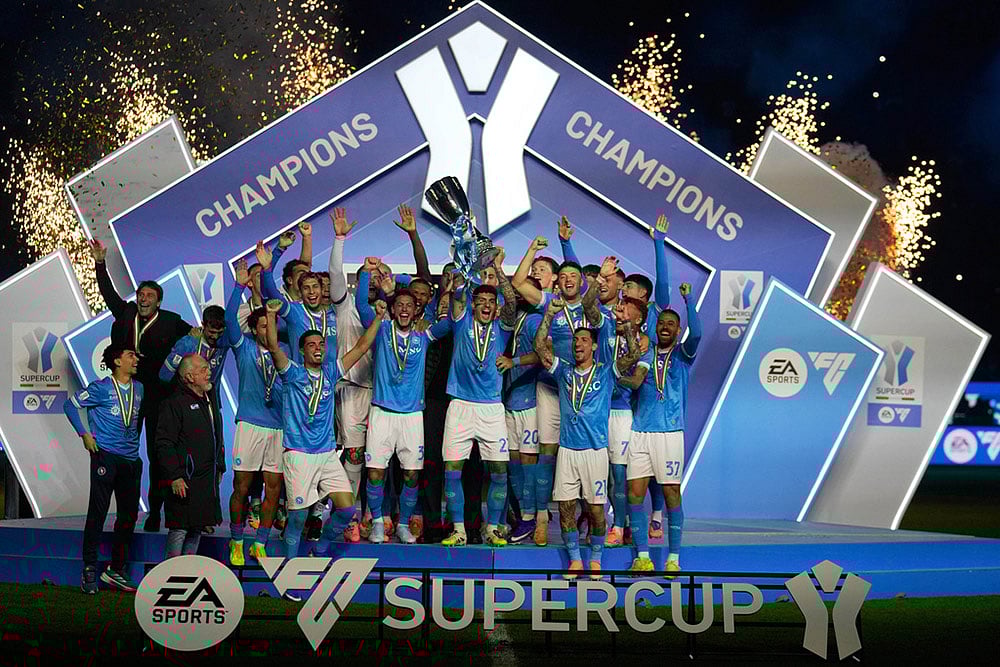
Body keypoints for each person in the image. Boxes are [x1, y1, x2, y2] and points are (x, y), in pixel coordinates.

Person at [264, 296, 383, 601]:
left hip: (327, 454)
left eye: (321, 343)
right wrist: (269, 313)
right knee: (299, 518)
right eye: (312, 344)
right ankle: (290, 577)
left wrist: (379, 319)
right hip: (299, 455)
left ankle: (322, 548)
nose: (318, 347)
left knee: (346, 508)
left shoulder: (331, 372)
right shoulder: (292, 373)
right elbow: (275, 347)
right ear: (303, 351)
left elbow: (360, 349)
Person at [89, 239, 194, 533]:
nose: (144, 299)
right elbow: (107, 293)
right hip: (128, 394)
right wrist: (100, 262)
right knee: (123, 451)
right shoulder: (126, 314)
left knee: (159, 454)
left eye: (150, 295)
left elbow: (195, 338)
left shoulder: (172, 321)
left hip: (159, 398)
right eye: (140, 294)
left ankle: (156, 511)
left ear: (159, 301)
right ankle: (126, 509)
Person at [535, 296, 640, 579]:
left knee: (595, 511)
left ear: (593, 345)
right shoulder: (563, 371)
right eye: (575, 340)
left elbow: (633, 355)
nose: (578, 344)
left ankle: (595, 558)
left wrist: (626, 324)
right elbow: (539, 348)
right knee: (567, 508)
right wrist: (548, 316)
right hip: (568, 451)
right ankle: (574, 560)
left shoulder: (606, 372)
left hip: (595, 452)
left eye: (583, 340)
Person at [513, 237, 603, 545]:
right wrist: (532, 250)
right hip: (551, 388)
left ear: (581, 282)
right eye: (562, 276)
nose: (567, 281)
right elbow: (518, 282)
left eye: (572, 276)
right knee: (547, 455)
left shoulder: (591, 308)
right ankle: (541, 518)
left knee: (586, 457)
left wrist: (566, 243)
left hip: (584, 394)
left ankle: (592, 520)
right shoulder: (549, 304)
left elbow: (593, 301)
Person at [356, 257, 452, 544]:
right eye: (400, 306)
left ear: (416, 310)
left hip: (412, 416)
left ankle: (402, 525)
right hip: (382, 412)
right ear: (393, 309)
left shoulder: (424, 336)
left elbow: (451, 324)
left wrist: (454, 291)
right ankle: (376, 522)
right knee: (375, 473)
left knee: (411, 475)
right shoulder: (381, 330)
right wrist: (366, 273)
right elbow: (362, 304)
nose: (405, 310)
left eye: (410, 306)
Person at [617, 282, 701, 576]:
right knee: (634, 494)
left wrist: (688, 300)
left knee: (671, 494)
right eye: (662, 323)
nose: (665, 327)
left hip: (669, 434)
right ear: (656, 329)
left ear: (677, 331)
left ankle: (674, 558)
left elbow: (699, 332)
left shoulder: (683, 356)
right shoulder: (645, 355)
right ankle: (642, 556)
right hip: (641, 432)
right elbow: (637, 380)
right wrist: (618, 376)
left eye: (671, 324)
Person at [440, 251, 518, 547]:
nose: (486, 306)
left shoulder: (502, 327)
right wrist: (465, 258)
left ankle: (493, 527)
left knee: (499, 470)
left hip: (491, 410)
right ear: (473, 305)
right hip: (460, 405)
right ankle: (458, 530)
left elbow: (511, 302)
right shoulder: (460, 322)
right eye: (481, 302)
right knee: (452, 470)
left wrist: (497, 268)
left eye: (491, 303)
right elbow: (458, 294)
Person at [64, 344, 144, 594]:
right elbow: (70, 405)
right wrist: (84, 434)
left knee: (128, 517)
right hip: (105, 457)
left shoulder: (139, 388)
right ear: (117, 361)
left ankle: (116, 570)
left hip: (131, 460)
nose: (136, 359)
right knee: (97, 513)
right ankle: (89, 568)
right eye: (131, 355)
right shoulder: (100, 388)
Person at [224, 259, 287, 565]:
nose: (268, 328)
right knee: (242, 486)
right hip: (249, 424)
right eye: (263, 324)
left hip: (277, 428)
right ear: (254, 328)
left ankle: (260, 542)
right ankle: (237, 540)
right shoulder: (243, 346)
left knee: (273, 488)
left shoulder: (284, 354)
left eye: (271, 324)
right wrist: (238, 285)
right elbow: (229, 320)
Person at [156, 355, 225, 559]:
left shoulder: (210, 400)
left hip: (206, 479)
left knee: (196, 528)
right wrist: (175, 475)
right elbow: (164, 443)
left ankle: (186, 574)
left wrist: (219, 466)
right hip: (184, 479)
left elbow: (216, 436)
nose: (209, 372)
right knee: (180, 528)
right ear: (189, 376)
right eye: (203, 369)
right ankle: (170, 575)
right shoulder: (174, 404)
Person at [501, 279, 543, 544]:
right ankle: (521, 517)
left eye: (521, 290)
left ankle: (531, 518)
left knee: (528, 466)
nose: (517, 294)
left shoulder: (536, 319)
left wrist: (513, 361)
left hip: (529, 402)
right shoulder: (511, 318)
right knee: (513, 465)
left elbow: (543, 354)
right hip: (509, 400)